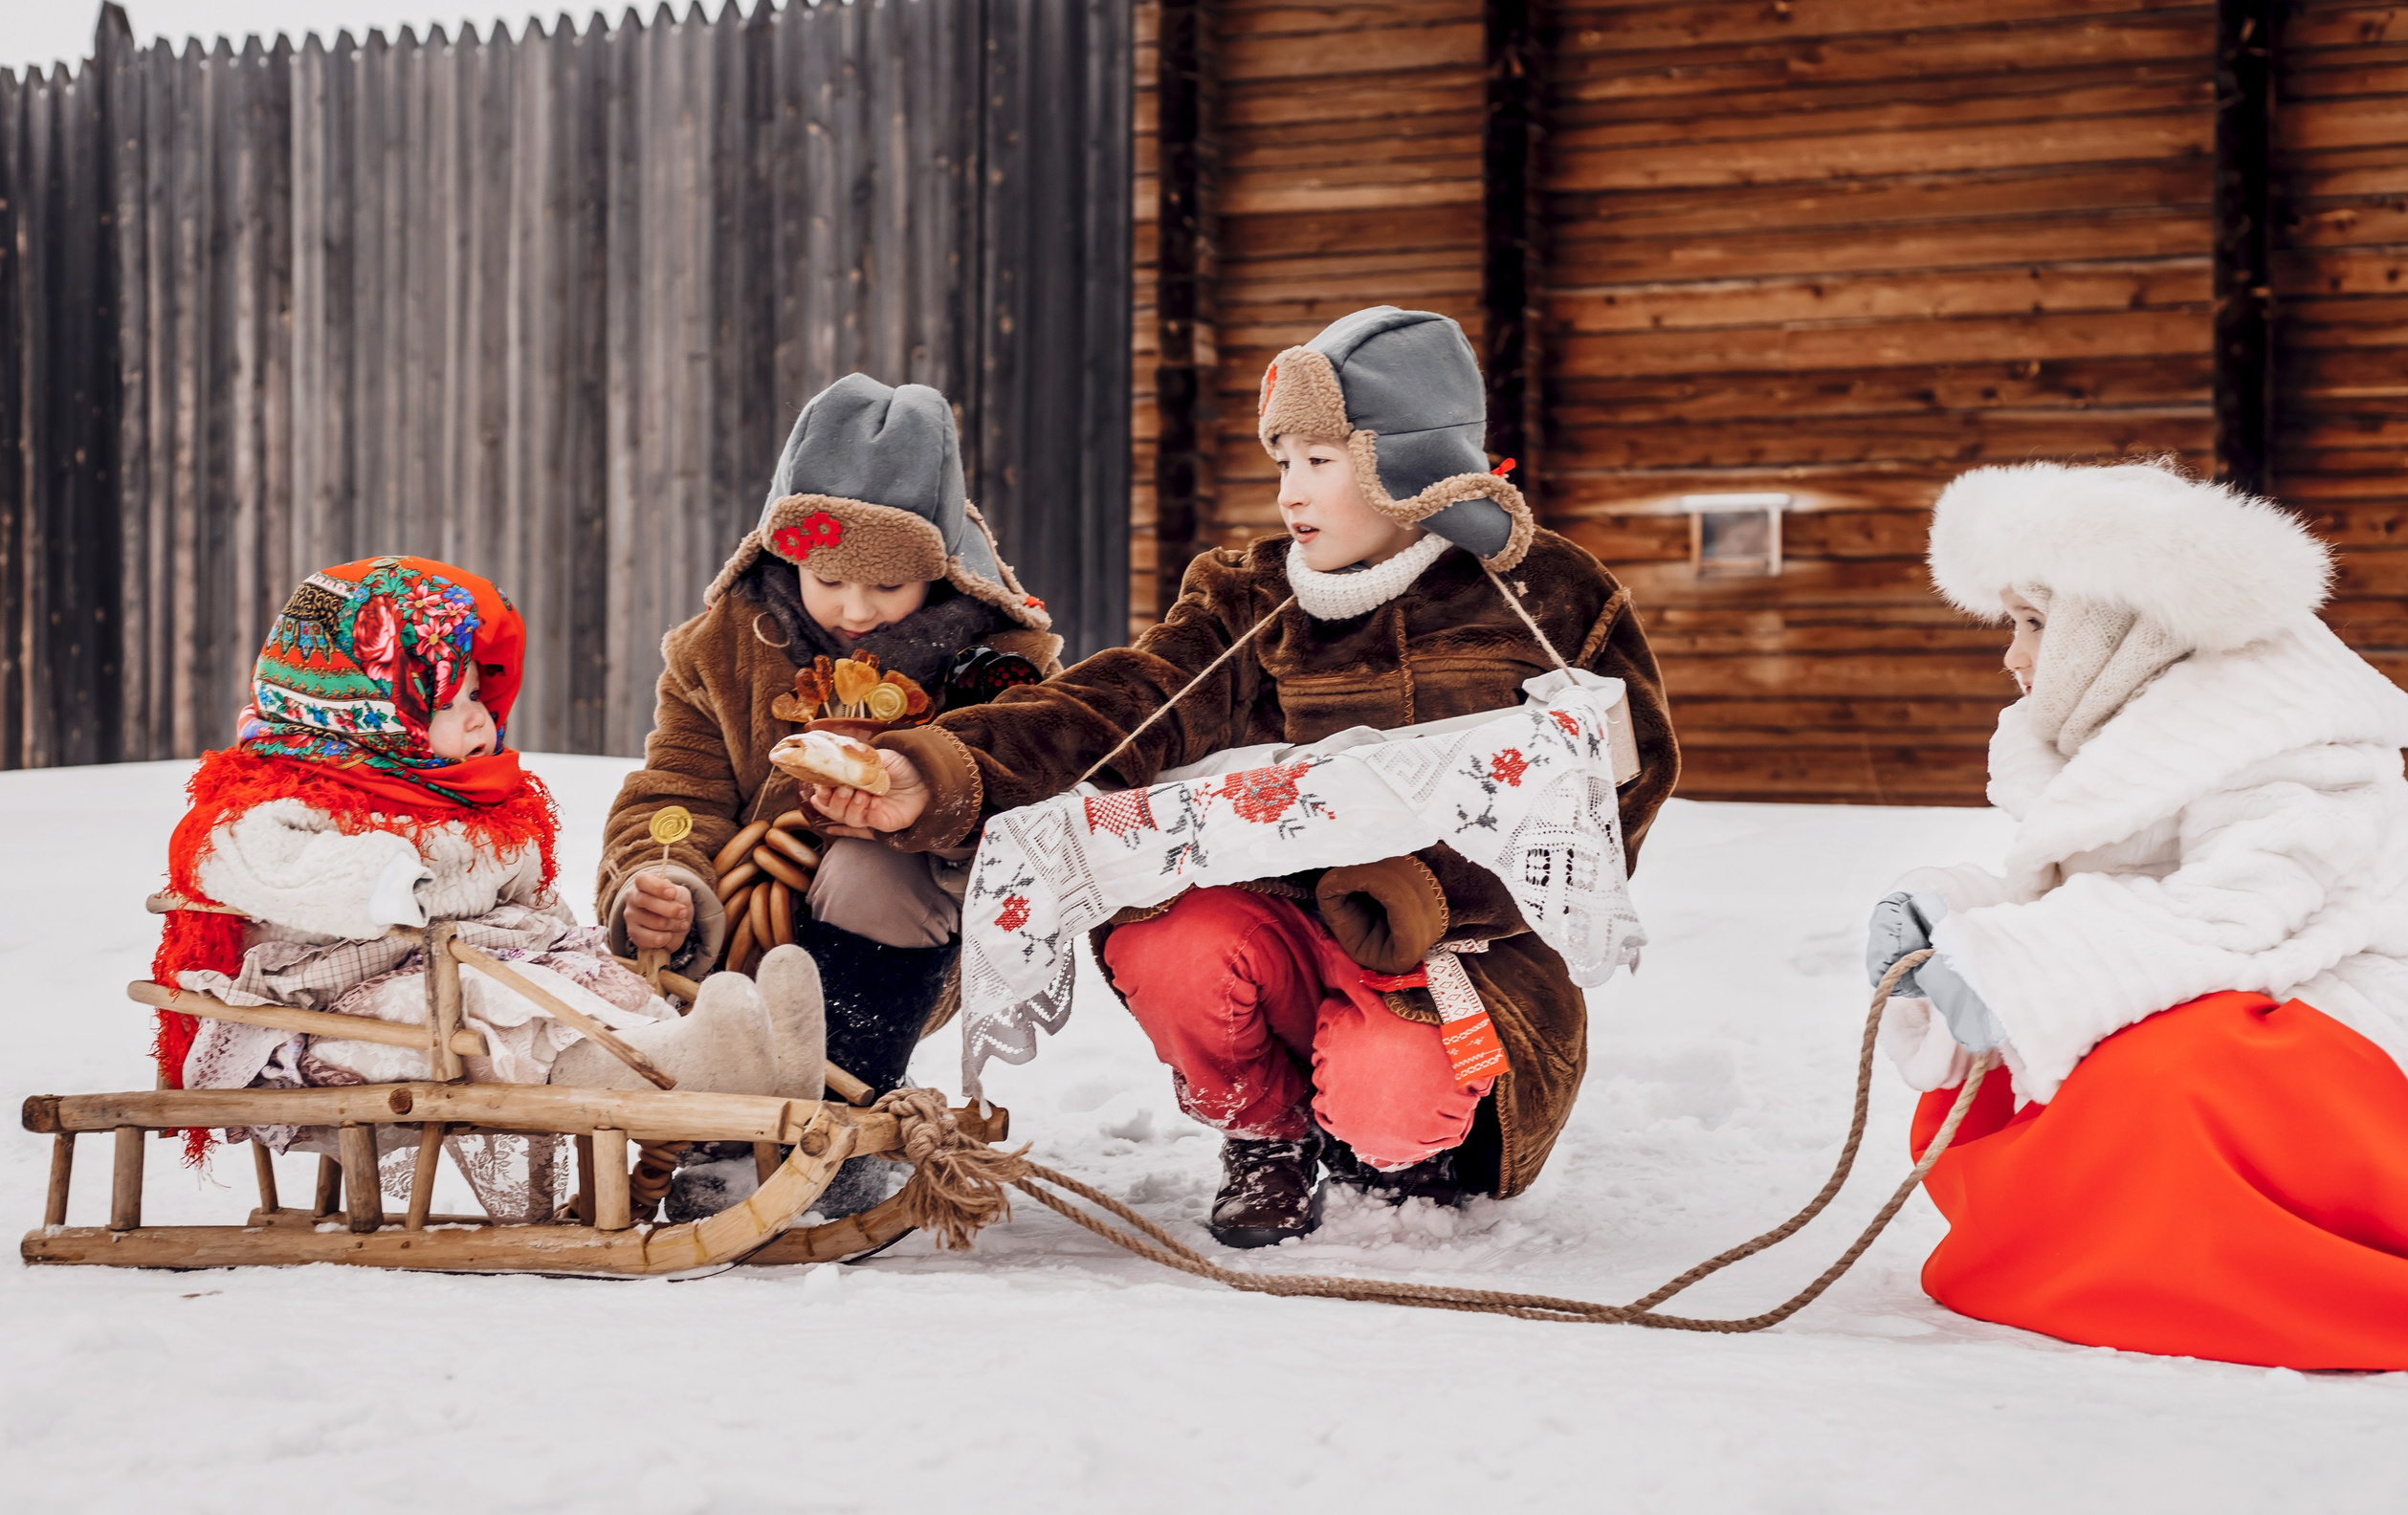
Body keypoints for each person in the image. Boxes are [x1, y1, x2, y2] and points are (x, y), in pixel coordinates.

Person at [806, 306, 1679, 1245]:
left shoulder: (1546, 597)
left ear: (1409, 463)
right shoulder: (1255, 595)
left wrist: (1430, 891)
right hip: (1279, 932)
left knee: (1391, 1107)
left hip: (1460, 954)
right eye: (1281, 463)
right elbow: (1122, 703)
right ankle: (1264, 1133)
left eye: (1320, 461)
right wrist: (933, 767)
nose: (1289, 494)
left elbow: (1615, 787)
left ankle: (1394, 1142)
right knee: (1165, 943)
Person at [1867, 459, 2408, 1371]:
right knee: (1979, 1082)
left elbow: (2231, 917)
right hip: (2235, 986)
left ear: (2116, 623)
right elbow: (2093, 906)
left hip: (2354, 1030)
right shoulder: (2117, 722)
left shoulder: (2289, 730)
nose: (2012, 657)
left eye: (2032, 624)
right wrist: (1952, 918)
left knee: (2165, 1075)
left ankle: (2262, 1277)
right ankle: (2093, 1259)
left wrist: (2013, 966)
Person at [155, 556, 827, 1221]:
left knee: (579, 980)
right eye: (451, 702)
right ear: (367, 715)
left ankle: (733, 1054)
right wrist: (388, 881)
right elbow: (253, 862)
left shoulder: (468, 805)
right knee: (507, 1006)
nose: (480, 719)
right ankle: (695, 1061)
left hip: (471, 970)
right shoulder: (273, 806)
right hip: (352, 1004)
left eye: (478, 695)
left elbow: (528, 903)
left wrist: (562, 940)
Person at [598, 374, 1061, 1219]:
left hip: (904, 931)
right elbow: (678, 785)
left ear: (941, 564)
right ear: (788, 555)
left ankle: (845, 1103)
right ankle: (726, 1118)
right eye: (830, 580)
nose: (855, 609)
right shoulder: (721, 650)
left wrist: (928, 808)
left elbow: (1028, 798)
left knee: (866, 867)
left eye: (887, 587)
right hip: (740, 931)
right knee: (721, 880)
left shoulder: (998, 663)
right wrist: (662, 878)